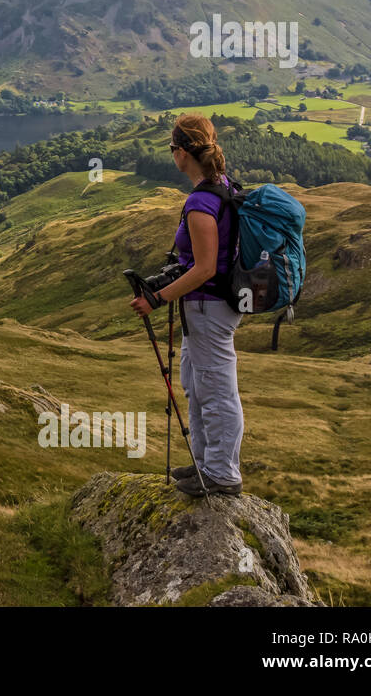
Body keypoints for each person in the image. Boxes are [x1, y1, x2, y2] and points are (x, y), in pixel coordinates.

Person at [129, 113, 244, 496]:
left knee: (216, 389)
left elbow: (206, 267)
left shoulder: (200, 202)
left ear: (182, 153)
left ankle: (223, 475)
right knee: (198, 385)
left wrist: (158, 299)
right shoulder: (220, 186)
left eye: (171, 148)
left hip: (209, 308)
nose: (171, 155)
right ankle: (204, 465)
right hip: (208, 308)